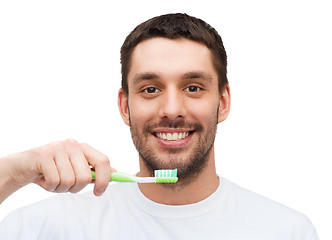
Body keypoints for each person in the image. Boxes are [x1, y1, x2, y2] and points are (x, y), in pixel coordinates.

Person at [0, 13, 319, 239]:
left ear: (222, 102)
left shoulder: (286, 231)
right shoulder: (47, 227)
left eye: (193, 87)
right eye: (150, 89)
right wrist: (14, 172)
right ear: (125, 106)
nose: (171, 110)